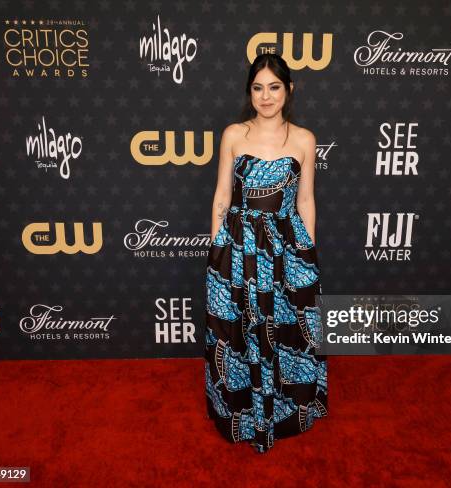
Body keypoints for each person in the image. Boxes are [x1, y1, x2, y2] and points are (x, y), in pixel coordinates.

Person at [204, 53, 327, 453]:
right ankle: (242, 412)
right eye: (258, 88)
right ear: (249, 92)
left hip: (287, 246)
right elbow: (223, 193)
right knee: (240, 328)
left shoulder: (305, 138)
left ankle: (285, 411)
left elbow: (306, 200)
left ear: (289, 90)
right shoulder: (234, 134)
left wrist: (306, 253)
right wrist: (216, 248)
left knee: (286, 326)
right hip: (241, 246)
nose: (266, 96)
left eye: (274, 87)